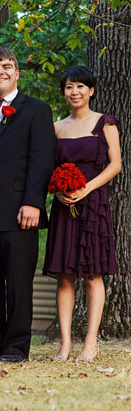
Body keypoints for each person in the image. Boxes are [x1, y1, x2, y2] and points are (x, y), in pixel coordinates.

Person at [0, 47, 55, 364]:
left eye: (6, 66)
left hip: (20, 212)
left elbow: (42, 160)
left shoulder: (36, 110)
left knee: (18, 283)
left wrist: (33, 202)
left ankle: (16, 348)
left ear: (17, 73)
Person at [43, 66, 121, 363]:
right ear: (64, 93)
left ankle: (90, 342)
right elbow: (47, 167)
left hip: (93, 203)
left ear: (91, 90)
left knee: (92, 274)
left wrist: (86, 188)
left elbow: (115, 165)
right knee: (64, 275)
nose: (74, 92)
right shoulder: (56, 127)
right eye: (69, 87)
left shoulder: (105, 123)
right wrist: (57, 191)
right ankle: (64, 344)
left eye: (79, 86)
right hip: (64, 205)